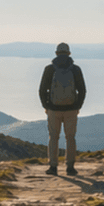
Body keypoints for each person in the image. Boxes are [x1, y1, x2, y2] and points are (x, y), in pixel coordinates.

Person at [38, 42, 86, 175]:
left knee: (53, 137)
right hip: (71, 109)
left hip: (53, 109)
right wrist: (77, 106)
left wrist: (46, 106)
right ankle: (70, 167)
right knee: (70, 138)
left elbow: (42, 90)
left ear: (56, 53)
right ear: (69, 53)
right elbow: (82, 90)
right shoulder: (75, 69)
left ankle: (53, 167)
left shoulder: (49, 69)